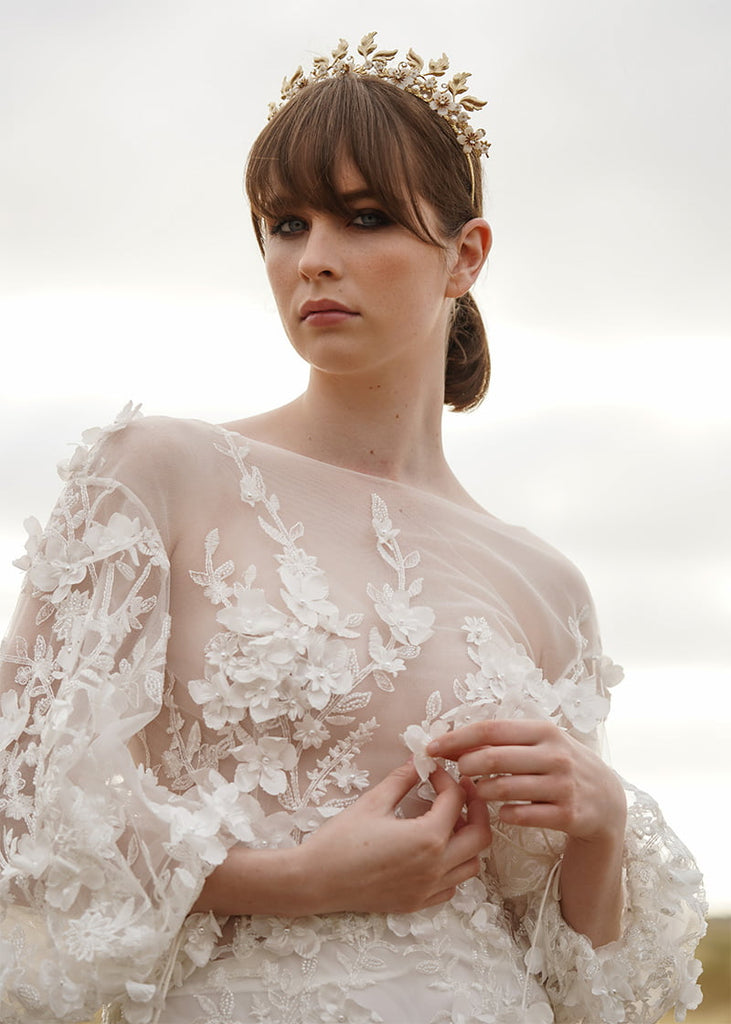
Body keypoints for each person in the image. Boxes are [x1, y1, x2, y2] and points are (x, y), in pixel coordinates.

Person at [0, 33, 706, 1024]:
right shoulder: (156, 474)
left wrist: (597, 827)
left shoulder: (547, 585)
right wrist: (292, 876)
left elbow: (585, 990)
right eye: (285, 223)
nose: (313, 258)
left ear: (465, 255)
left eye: (363, 217)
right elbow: (26, 803)